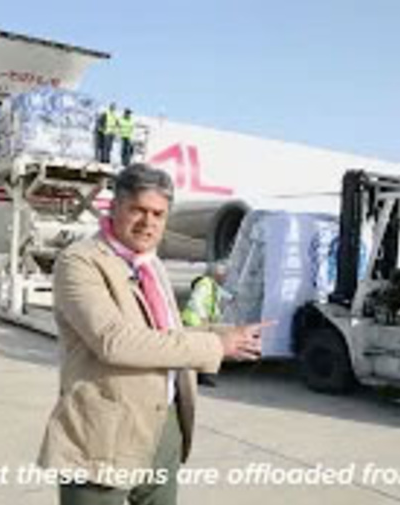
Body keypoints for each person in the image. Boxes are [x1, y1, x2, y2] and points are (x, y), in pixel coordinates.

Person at [38, 164, 268, 505]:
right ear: (114, 207)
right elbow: (114, 341)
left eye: (158, 214)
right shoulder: (80, 262)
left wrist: (224, 333)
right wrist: (213, 345)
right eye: (138, 210)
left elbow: (163, 333)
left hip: (165, 424)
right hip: (103, 435)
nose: (148, 223)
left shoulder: (150, 263)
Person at [181, 262, 228, 387]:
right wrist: (203, 317)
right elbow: (195, 301)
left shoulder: (213, 285)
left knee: (204, 348)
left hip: (201, 321)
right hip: (194, 321)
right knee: (200, 348)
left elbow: (220, 295)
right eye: (223, 274)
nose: (225, 277)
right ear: (216, 274)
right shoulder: (205, 283)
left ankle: (203, 375)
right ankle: (199, 376)